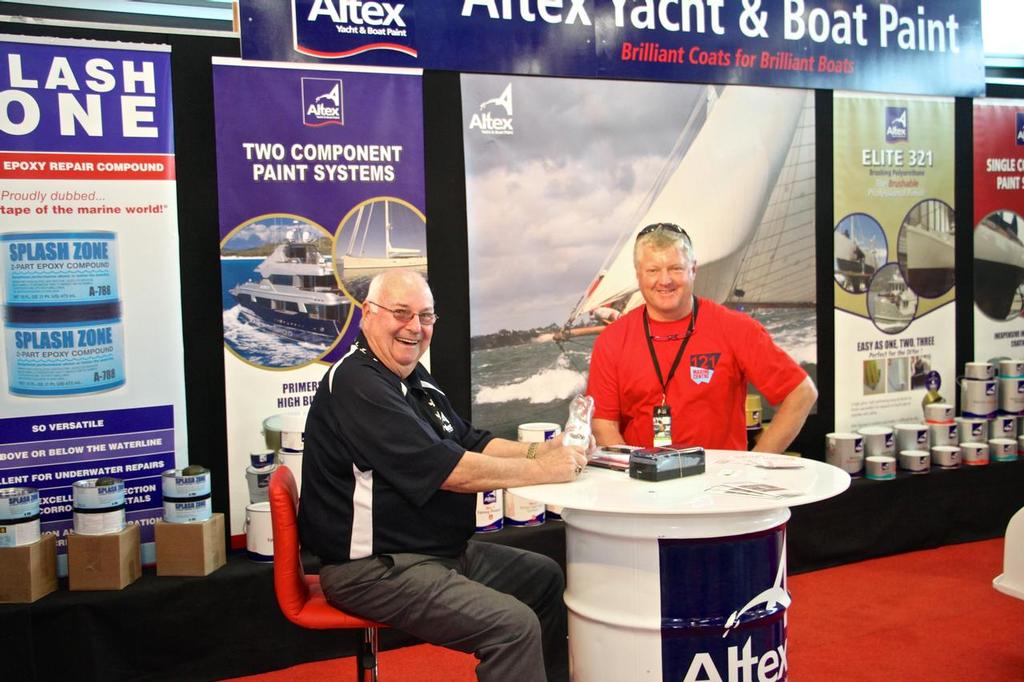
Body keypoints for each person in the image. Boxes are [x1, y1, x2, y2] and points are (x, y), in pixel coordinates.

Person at [298, 269, 587, 682]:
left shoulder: (412, 376)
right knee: (513, 626)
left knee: (543, 578)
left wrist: (545, 449)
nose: (414, 327)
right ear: (368, 315)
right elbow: (451, 471)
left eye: (426, 316)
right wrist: (542, 470)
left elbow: (472, 441)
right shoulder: (356, 383)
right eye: (401, 313)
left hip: (436, 555)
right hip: (373, 571)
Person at [587, 222, 818, 453]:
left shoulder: (735, 328)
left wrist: (757, 464)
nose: (665, 280)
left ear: (693, 269)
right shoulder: (612, 340)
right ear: (639, 275)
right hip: (643, 482)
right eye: (653, 270)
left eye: (676, 268)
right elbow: (603, 424)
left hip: (717, 484)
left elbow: (801, 393)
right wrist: (635, 474)